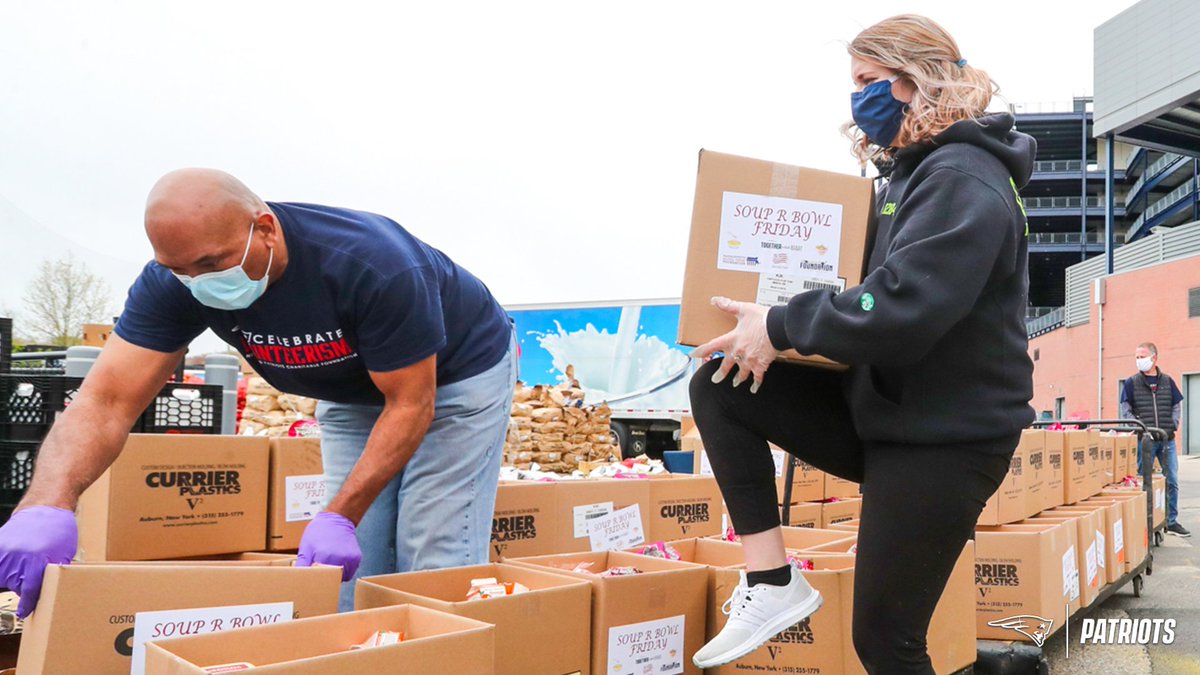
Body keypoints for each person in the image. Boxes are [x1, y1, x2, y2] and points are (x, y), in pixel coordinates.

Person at [0, 169, 517, 615]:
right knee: (348, 562)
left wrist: (337, 514)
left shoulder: (371, 263)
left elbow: (411, 403)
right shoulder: (174, 280)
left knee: (432, 545)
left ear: (264, 229)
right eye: (178, 270)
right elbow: (106, 400)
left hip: (455, 377)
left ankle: (445, 648)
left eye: (210, 264)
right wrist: (46, 504)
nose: (197, 282)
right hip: (351, 393)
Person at [688, 15, 1035, 673]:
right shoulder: (908, 176)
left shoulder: (964, 177)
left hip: (948, 440)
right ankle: (771, 583)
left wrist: (782, 322)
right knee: (723, 378)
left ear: (915, 80)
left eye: (868, 80)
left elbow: (904, 306)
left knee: (885, 639)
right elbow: (863, 287)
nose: (858, 98)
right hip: (890, 413)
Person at [1120, 342, 1190, 537]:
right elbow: (1126, 410)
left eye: (1142, 356)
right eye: (1136, 357)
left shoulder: (1167, 381)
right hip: (1145, 440)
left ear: (1154, 358)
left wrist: (1173, 424)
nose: (1139, 360)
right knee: (1145, 480)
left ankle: (1171, 521)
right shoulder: (1131, 382)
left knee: (1172, 480)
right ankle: (1145, 520)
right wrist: (1137, 427)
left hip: (1166, 439)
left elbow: (1177, 404)